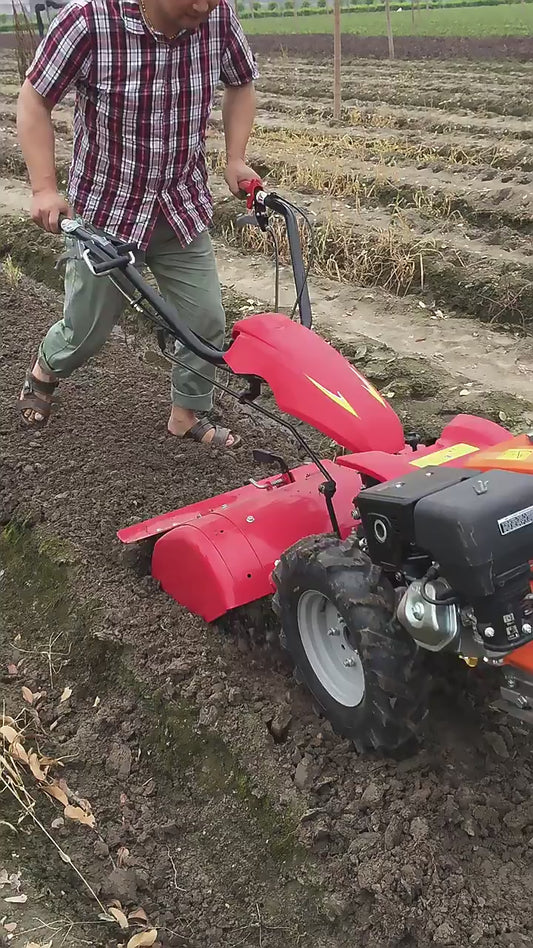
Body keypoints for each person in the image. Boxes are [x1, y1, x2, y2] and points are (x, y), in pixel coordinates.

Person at [17, 0, 259, 448]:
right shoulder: (90, 20)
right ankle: (45, 369)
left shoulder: (219, 17)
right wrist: (44, 188)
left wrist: (235, 158)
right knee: (86, 331)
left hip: (179, 204)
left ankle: (187, 414)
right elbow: (34, 99)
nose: (205, 6)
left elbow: (241, 82)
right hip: (109, 214)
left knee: (204, 319)